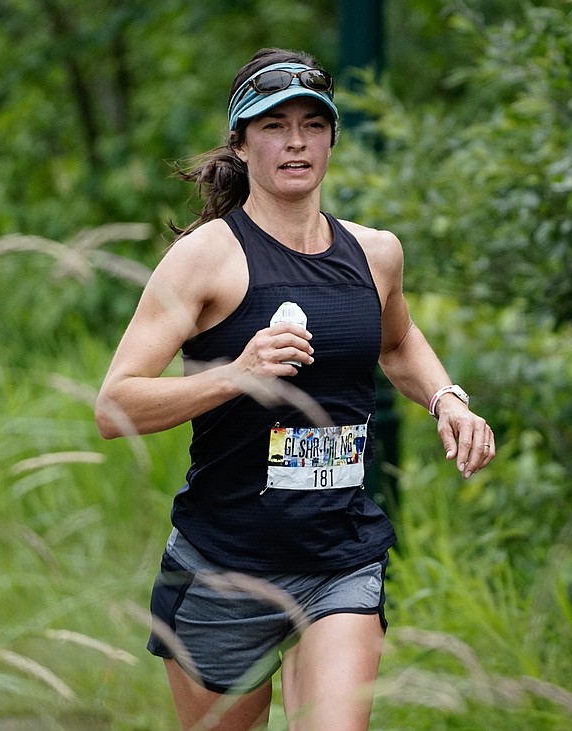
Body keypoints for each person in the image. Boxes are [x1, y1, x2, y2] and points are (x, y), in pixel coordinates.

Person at [95, 47, 496, 731]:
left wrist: (446, 398)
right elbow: (114, 405)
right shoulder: (206, 258)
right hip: (225, 565)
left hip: (339, 555)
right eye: (275, 126)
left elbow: (396, 342)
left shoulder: (375, 253)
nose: (295, 142)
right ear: (241, 142)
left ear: (333, 138)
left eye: (313, 124)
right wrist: (234, 374)